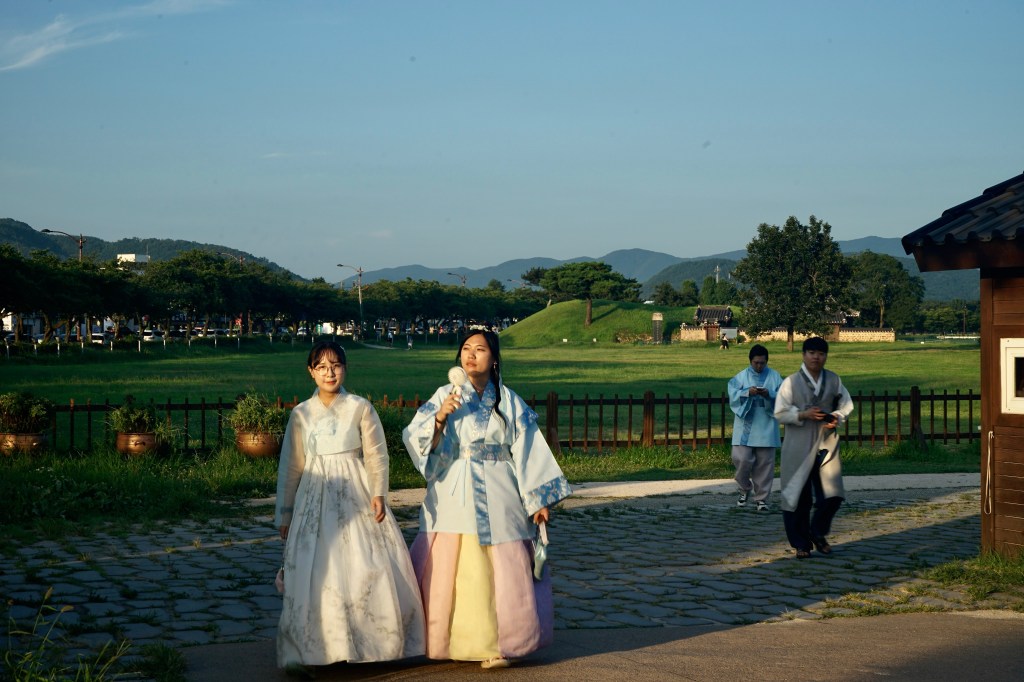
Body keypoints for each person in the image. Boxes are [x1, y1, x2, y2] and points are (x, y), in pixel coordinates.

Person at [402, 330, 572, 669]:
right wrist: (440, 418)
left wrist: (539, 499)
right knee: (454, 568)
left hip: (499, 491)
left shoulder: (508, 401)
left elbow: (527, 449)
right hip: (454, 491)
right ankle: (447, 639)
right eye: (466, 349)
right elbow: (415, 437)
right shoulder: (444, 394)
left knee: (500, 571)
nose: (471, 355)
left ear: (493, 359)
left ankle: (499, 644)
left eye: (480, 349)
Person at [275, 340, 425, 673]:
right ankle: (311, 649)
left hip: (354, 494)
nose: (329, 373)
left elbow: (376, 454)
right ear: (311, 372)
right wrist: (285, 512)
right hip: (314, 497)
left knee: (363, 564)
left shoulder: (360, 407)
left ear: (345, 369)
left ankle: (370, 644)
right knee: (316, 569)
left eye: (336, 366)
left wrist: (378, 493)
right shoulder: (301, 413)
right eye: (321, 367)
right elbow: (291, 465)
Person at [774, 337, 854, 559]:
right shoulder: (791, 382)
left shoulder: (834, 380)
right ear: (804, 355)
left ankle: (817, 531)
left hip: (826, 443)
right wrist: (802, 414)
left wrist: (836, 417)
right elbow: (779, 413)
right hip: (798, 444)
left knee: (833, 494)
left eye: (820, 353)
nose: (816, 357)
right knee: (797, 496)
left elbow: (846, 404)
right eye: (811, 353)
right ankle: (801, 544)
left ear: (826, 356)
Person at [727, 344, 782, 512]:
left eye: (762, 363)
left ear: (767, 361)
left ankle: (762, 499)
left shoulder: (775, 376)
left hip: (767, 424)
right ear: (750, 361)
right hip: (746, 424)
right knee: (741, 459)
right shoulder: (741, 377)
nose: (759, 366)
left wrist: (769, 394)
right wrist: (747, 392)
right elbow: (732, 394)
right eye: (756, 363)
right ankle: (744, 488)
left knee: (765, 464)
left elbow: (784, 397)